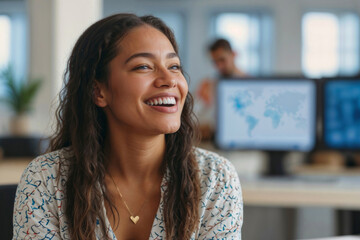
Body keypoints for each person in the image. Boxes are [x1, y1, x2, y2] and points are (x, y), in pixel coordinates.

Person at [12, 14, 243, 239]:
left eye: (174, 66)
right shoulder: (46, 180)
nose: (170, 79)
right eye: (143, 67)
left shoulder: (215, 178)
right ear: (98, 91)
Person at [196, 38, 247, 140]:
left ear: (234, 54)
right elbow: (195, 117)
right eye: (215, 62)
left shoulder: (251, 85)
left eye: (222, 60)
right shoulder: (208, 85)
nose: (219, 66)